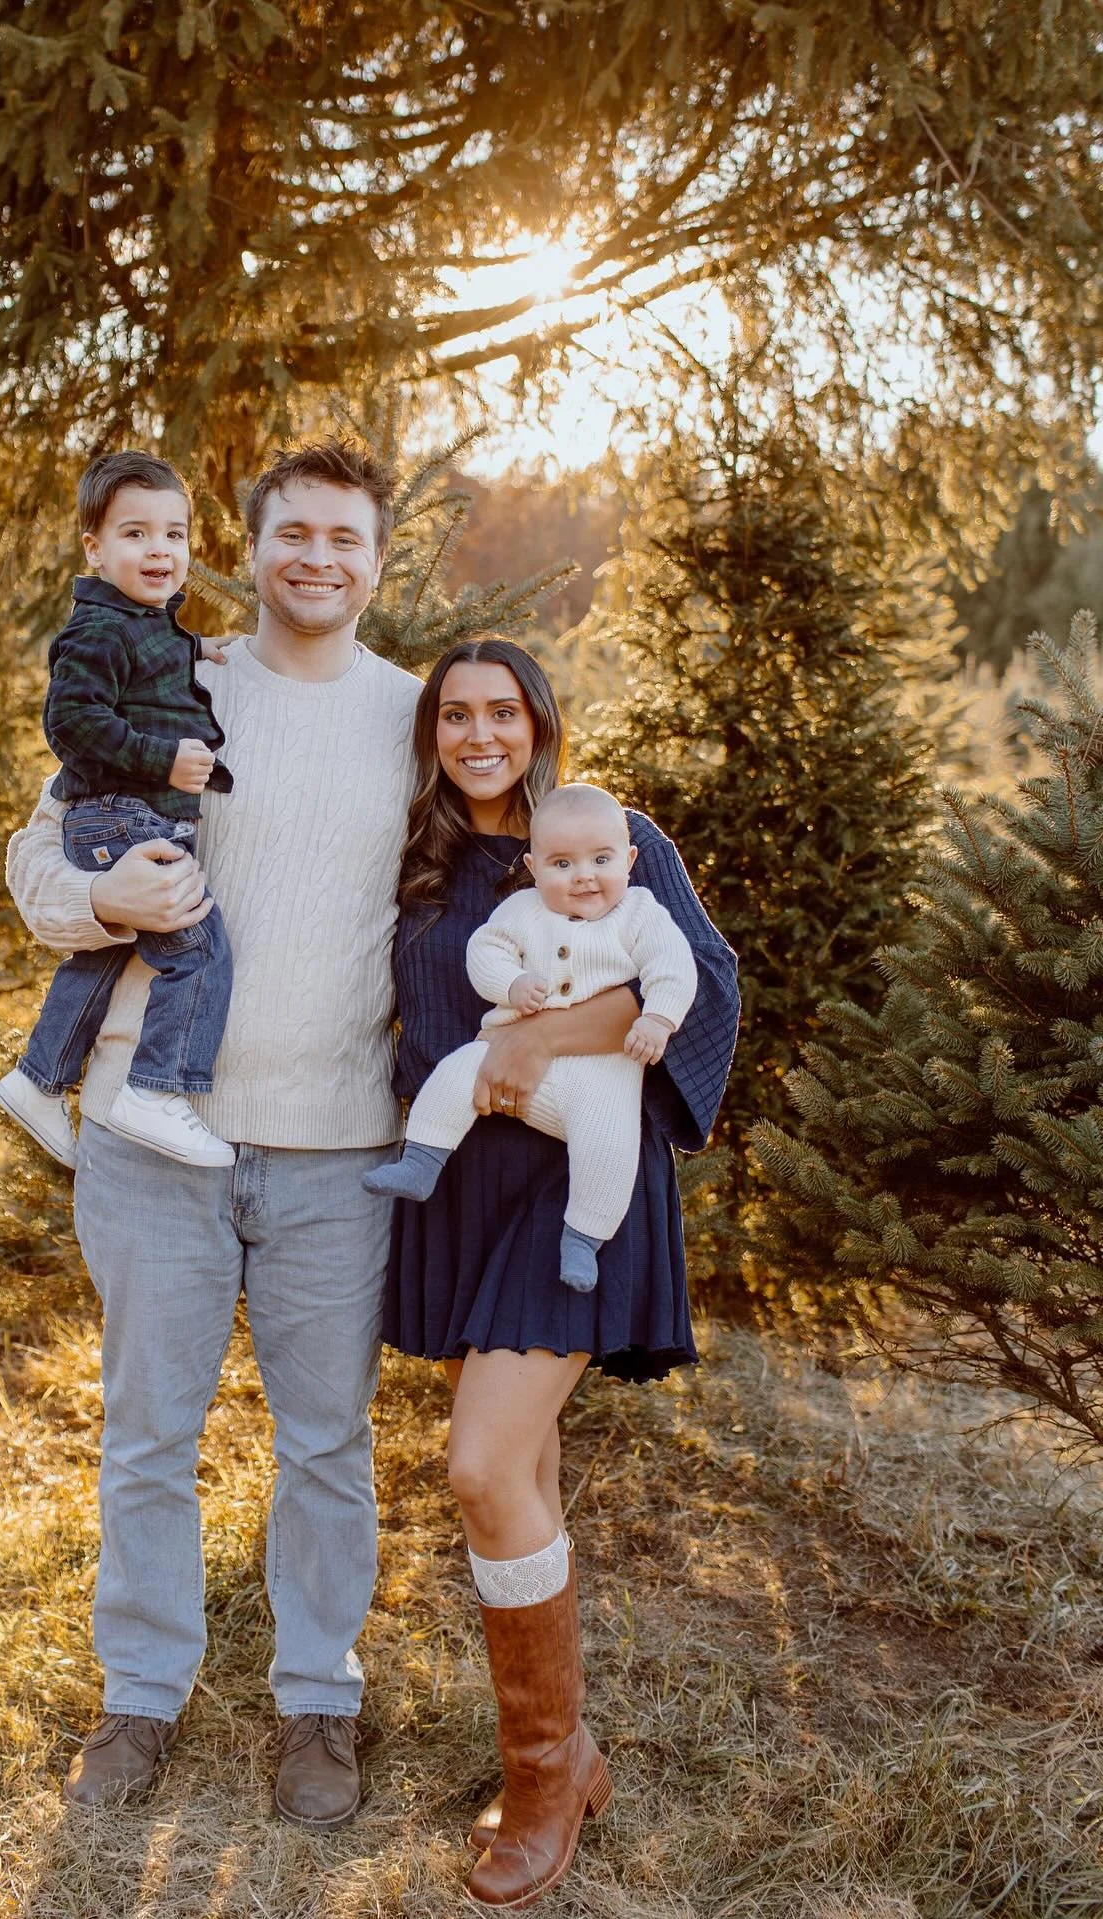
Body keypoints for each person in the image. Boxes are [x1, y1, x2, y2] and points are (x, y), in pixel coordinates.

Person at [3, 439, 421, 1827]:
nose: (317, 557)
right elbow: (36, 853)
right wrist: (103, 904)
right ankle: (141, 1693)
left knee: (325, 1441)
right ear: (251, 547)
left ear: (377, 558)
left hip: (335, 1148)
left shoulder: (414, 718)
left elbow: (525, 855)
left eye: (344, 537)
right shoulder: (179, 678)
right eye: (291, 532)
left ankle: (318, 1699)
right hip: (149, 1130)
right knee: (145, 1433)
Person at [381, 637, 738, 1908]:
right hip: (470, 1180)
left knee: (479, 1462)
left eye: (505, 711)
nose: (482, 734)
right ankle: (564, 1752)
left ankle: (542, 1772)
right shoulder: (422, 858)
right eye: (457, 714)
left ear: (540, 720)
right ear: (434, 730)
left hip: (587, 1181)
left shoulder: (611, 836)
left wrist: (533, 1038)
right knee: (517, 1466)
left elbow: (698, 991)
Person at [0, 452, 237, 1171]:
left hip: (118, 813)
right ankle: (156, 1091)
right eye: (135, 534)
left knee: (105, 949)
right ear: (94, 547)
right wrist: (162, 758)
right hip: (118, 812)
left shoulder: (143, 621)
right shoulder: (96, 629)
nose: (160, 549)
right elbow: (71, 721)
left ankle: (39, 1078)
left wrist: (200, 649)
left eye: (175, 533)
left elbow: (149, 661)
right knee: (197, 949)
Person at [364, 782, 697, 1291]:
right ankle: (421, 1161)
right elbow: (485, 951)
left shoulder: (641, 914)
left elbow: (674, 966)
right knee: (455, 1074)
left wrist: (658, 1019)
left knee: (609, 1148)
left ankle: (583, 1240)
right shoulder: (522, 911)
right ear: (534, 867)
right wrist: (512, 983)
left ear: (629, 859)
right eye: (562, 864)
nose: (584, 876)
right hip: (501, 1058)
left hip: (600, 1078)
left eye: (601, 860)